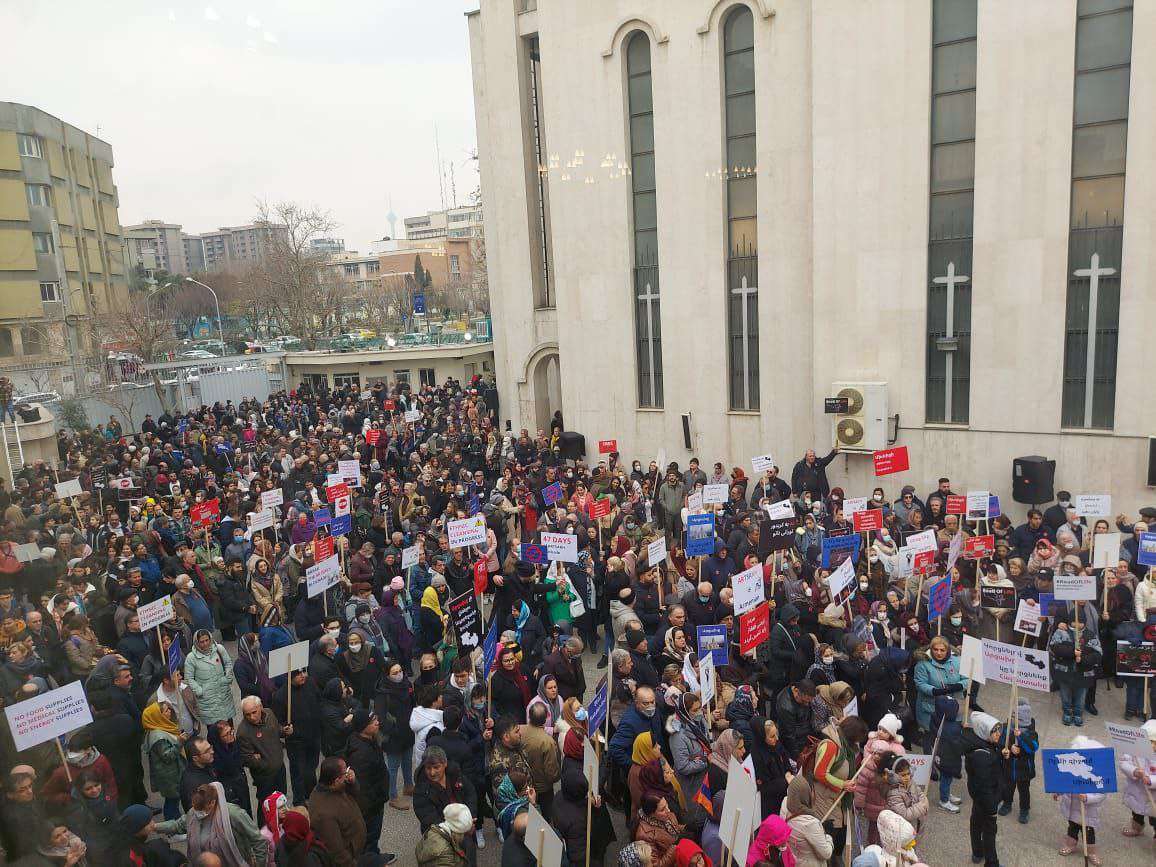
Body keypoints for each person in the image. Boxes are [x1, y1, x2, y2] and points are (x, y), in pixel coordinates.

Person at [308, 755, 398, 866]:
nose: (348, 772)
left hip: (357, 848)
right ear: (336, 780)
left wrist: (352, 782)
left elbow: (355, 795)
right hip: (351, 858)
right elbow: (336, 851)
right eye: (345, 772)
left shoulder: (332, 786)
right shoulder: (324, 815)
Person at [154, 781, 269, 867]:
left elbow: (258, 841)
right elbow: (178, 825)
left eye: (201, 809)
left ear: (212, 803)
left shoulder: (233, 814)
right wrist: (155, 827)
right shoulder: (193, 813)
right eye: (195, 809)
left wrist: (259, 864)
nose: (197, 813)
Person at [962, 712, 1005, 867]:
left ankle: (977, 852)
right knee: (989, 831)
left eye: (999, 729)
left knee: (976, 822)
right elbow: (984, 786)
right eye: (995, 731)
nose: (999, 734)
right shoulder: (982, 756)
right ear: (984, 732)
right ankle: (992, 862)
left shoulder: (980, 743)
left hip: (979, 797)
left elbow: (992, 748)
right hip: (987, 799)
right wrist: (992, 808)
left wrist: (1001, 752)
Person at [1055, 736, 1106, 864]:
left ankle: (1091, 851)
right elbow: (1066, 784)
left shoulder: (1099, 774)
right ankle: (1070, 844)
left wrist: (1088, 797)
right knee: (1072, 828)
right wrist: (1059, 792)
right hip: (1072, 808)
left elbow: (1102, 793)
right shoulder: (1071, 771)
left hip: (1088, 812)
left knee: (1089, 833)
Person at [344, 709, 388, 857]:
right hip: (370, 807)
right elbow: (362, 788)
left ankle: (375, 855)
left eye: (376, 719)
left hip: (375, 800)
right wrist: (372, 807)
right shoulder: (361, 754)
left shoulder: (369, 740)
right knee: (369, 838)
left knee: (373, 839)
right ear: (363, 726)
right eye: (372, 721)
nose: (377, 722)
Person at [237, 696, 290, 809]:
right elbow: (247, 759)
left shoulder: (269, 714)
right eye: (247, 714)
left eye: (254, 712)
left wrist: (284, 731)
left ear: (260, 707)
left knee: (282, 799)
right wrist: (264, 764)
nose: (251, 717)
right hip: (264, 776)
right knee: (266, 805)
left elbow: (277, 730)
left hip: (280, 768)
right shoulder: (243, 732)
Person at [143, 701, 188, 821]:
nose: (169, 712)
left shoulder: (162, 728)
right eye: (166, 711)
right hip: (169, 777)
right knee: (171, 802)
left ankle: (177, 821)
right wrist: (179, 743)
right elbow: (167, 757)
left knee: (174, 801)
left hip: (172, 774)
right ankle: (172, 829)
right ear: (157, 716)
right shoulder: (158, 737)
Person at [185, 628, 237, 726]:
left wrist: (227, 678)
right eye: (201, 642)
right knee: (214, 730)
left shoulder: (219, 649)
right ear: (196, 642)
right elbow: (189, 678)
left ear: (210, 639)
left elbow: (228, 663)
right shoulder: (191, 658)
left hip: (223, 694)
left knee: (229, 726)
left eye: (207, 640)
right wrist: (199, 690)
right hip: (207, 700)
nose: (205, 644)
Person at [521, 702, 562, 818]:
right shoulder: (547, 742)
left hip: (524, 785)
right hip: (543, 789)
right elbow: (551, 771)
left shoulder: (519, 731)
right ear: (545, 719)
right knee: (545, 818)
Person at [784, 775, 834, 867]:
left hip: (796, 862)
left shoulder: (787, 810)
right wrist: (828, 836)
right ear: (805, 794)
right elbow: (826, 853)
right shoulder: (810, 823)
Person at [1120, 718, 1156, 841]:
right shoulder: (1134, 751)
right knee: (1136, 811)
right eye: (1150, 741)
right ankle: (1137, 827)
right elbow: (1124, 763)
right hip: (1137, 791)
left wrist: (1151, 780)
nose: (1153, 745)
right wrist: (1134, 771)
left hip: (1153, 796)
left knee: (1154, 817)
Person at [415, 802, 473, 867]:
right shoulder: (445, 855)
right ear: (457, 831)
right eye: (464, 833)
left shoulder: (434, 829)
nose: (464, 836)